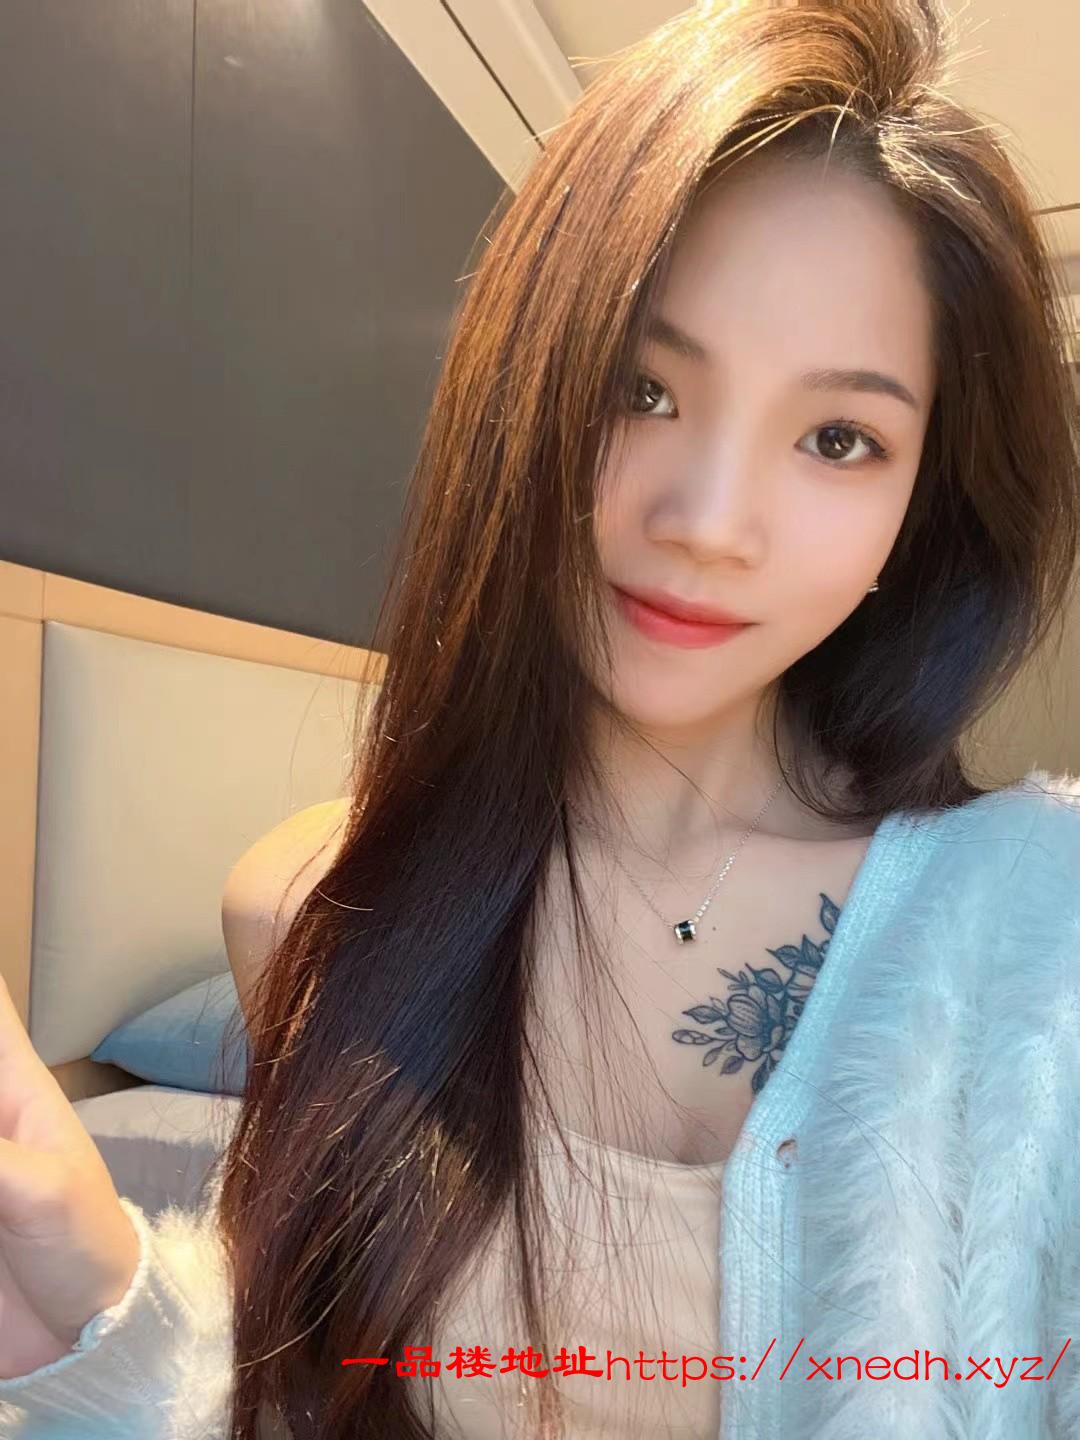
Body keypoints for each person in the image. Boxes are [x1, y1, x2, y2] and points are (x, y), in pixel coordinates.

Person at [1, 0, 1079, 1435]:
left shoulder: (1044, 948)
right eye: (643, 389)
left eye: (839, 438)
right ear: (523, 392)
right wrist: (95, 1305)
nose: (707, 522)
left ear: (920, 508)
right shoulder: (324, 908)